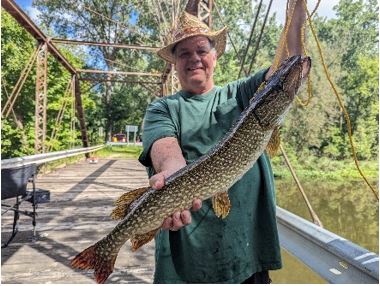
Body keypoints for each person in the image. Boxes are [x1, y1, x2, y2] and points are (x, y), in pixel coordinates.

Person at [138, 0, 307, 283]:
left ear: (215, 57)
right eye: (184, 53)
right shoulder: (162, 108)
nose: (194, 58)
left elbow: (291, 62)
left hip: (246, 255)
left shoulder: (243, 94)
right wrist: (172, 176)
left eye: (202, 50)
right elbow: (166, 152)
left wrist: (297, 7)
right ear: (175, 63)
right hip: (187, 262)